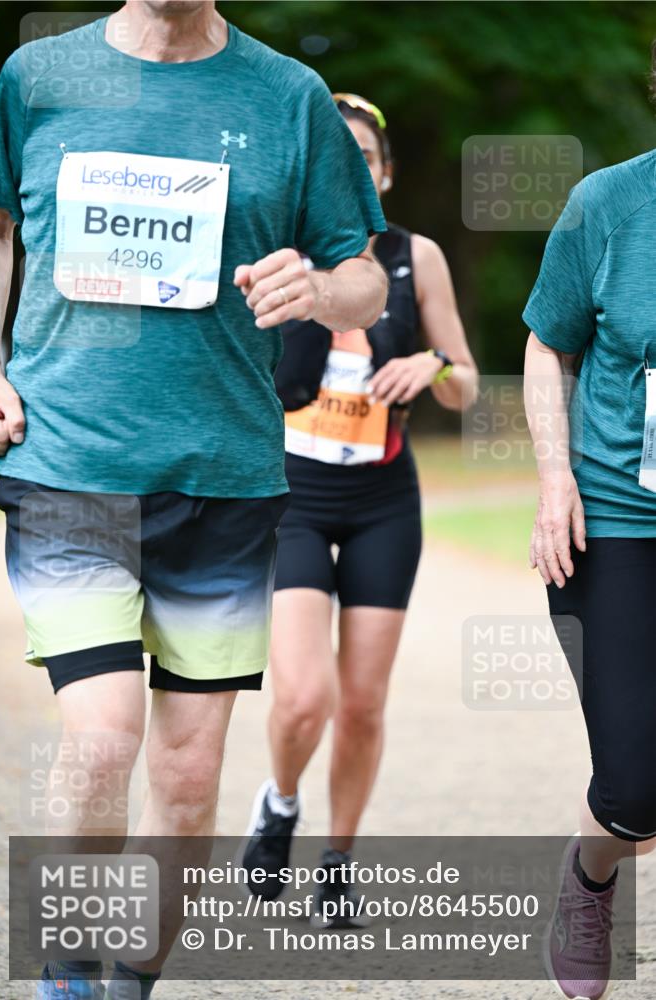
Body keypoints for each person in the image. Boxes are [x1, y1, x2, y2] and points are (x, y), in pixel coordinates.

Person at [0, 2, 388, 997]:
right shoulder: (38, 78)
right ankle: (69, 974)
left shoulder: (288, 99)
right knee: (104, 733)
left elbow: (363, 279)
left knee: (186, 772)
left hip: (223, 473)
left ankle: (131, 980)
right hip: (69, 460)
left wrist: (321, 291)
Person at [241, 93, 478, 924]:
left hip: (383, 499)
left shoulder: (419, 257)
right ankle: (278, 801)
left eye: (365, 162)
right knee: (305, 696)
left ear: (383, 174)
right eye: (334, 162)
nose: (353, 175)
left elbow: (466, 378)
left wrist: (435, 368)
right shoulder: (281, 257)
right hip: (294, 496)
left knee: (365, 701)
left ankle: (338, 860)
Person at [523, 123, 655, 1000]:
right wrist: (552, 477)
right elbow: (547, 344)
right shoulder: (607, 202)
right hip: (616, 521)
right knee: (639, 788)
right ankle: (592, 872)